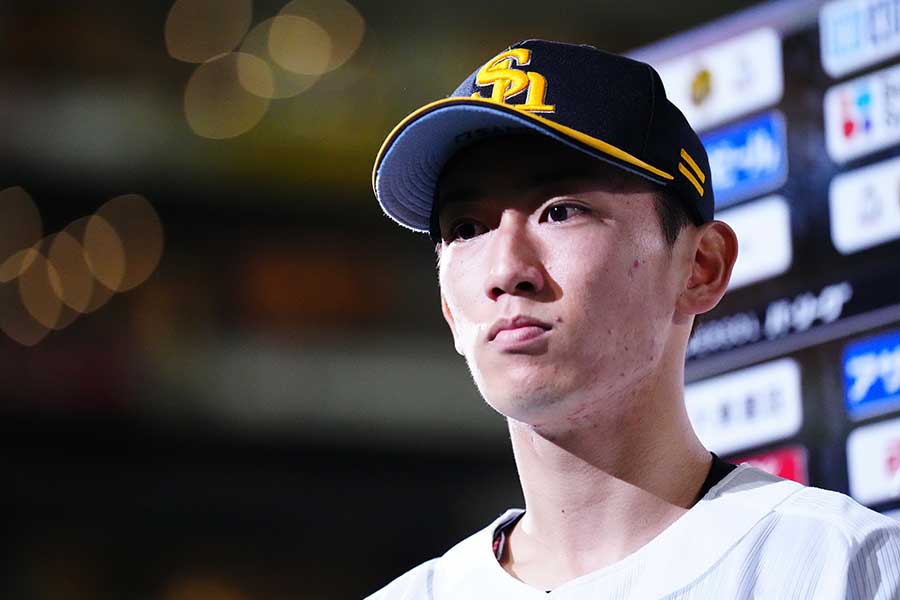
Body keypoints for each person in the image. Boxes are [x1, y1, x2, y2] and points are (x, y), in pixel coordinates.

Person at [366, 39, 900, 599]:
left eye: (560, 212)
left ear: (701, 266)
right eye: (467, 229)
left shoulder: (840, 566)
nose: (506, 270)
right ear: (450, 309)